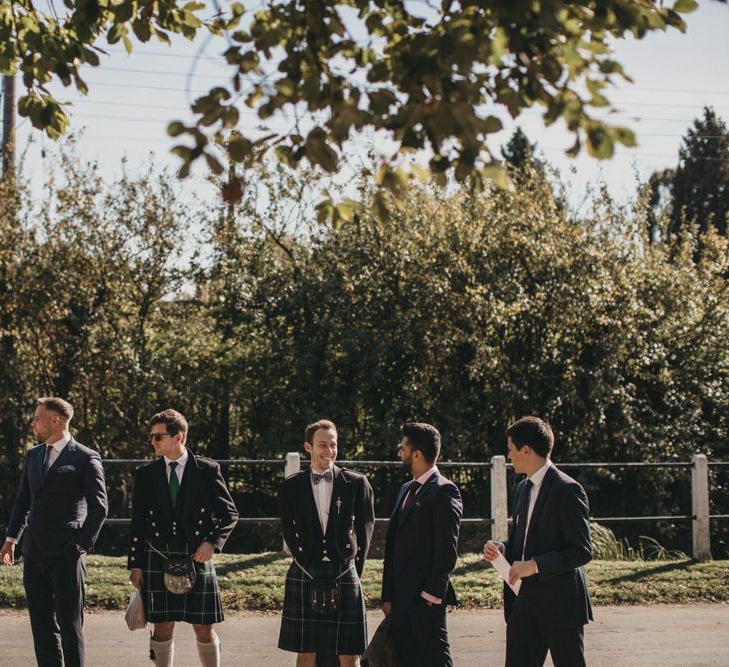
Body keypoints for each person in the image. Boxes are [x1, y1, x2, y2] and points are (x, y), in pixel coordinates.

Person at [1, 397, 108, 667]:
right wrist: (11, 539)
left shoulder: (85, 457)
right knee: (41, 626)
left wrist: (80, 546)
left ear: (55, 420)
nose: (33, 423)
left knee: (70, 626)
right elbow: (23, 501)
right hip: (34, 551)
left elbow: (100, 508)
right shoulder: (34, 455)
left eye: (37, 418)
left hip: (67, 554)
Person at [127, 409, 239, 667]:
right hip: (158, 556)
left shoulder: (207, 470)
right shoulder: (146, 475)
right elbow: (138, 524)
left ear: (178, 437)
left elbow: (230, 514)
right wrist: (136, 564)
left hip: (196, 557)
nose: (153, 442)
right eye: (152, 437)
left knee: (203, 627)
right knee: (163, 627)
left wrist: (212, 542)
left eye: (158, 437)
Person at [483, 416, 593, 667]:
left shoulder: (568, 489)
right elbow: (522, 541)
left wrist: (534, 565)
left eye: (511, 449)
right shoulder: (521, 489)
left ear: (526, 450)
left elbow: (581, 550)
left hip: (561, 604)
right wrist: (501, 548)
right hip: (524, 601)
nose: (509, 456)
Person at [278, 419, 375, 666]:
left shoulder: (356, 483)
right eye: (322, 445)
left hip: (344, 569)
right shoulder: (291, 486)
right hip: (305, 569)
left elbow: (365, 530)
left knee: (349, 653)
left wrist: (355, 569)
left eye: (333, 445)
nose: (329, 451)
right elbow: (288, 529)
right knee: (306, 650)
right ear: (308, 447)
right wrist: (303, 557)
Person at [381, 422, 463, 667]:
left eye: (403, 448)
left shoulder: (444, 491)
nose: (400, 453)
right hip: (399, 600)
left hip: (425, 601)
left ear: (417, 454)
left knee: (435, 660)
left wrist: (431, 595)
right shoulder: (406, 488)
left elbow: (447, 550)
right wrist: (388, 595)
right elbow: (392, 546)